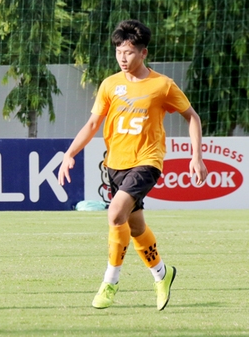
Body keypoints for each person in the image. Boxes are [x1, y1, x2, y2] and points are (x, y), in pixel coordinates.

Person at [58, 20, 208, 310]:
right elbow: (92, 123)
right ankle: (162, 275)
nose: (122, 58)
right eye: (118, 51)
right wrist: (70, 153)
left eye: (128, 52)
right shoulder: (110, 84)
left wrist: (196, 157)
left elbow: (193, 117)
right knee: (135, 226)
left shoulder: (162, 85)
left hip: (147, 162)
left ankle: (110, 282)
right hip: (115, 165)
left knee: (115, 214)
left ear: (143, 53)